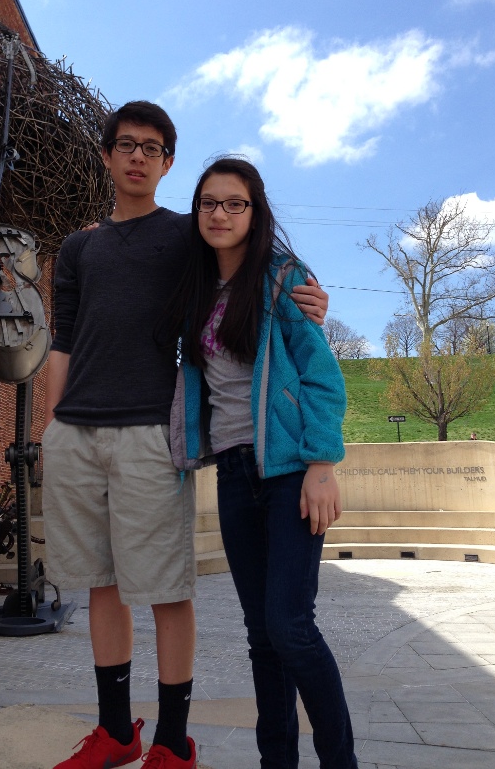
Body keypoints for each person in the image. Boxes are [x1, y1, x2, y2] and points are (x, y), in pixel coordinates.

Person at [42, 102, 331, 769]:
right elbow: (63, 336)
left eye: (152, 147)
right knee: (100, 584)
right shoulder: (79, 247)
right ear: (107, 155)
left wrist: (310, 298)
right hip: (77, 432)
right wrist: (53, 425)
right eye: (125, 144)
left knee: (166, 589)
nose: (137, 156)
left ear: (167, 162)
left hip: (151, 430)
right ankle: (116, 731)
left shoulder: (186, 233)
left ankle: (172, 741)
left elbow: (253, 260)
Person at [167, 157, 358, 769]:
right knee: (261, 635)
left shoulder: (282, 279)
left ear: (255, 212)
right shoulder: (195, 288)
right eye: (208, 203)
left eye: (235, 203)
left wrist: (322, 465)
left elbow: (322, 377)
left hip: (288, 473)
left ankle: (341, 762)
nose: (220, 214)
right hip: (231, 472)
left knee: (290, 626)